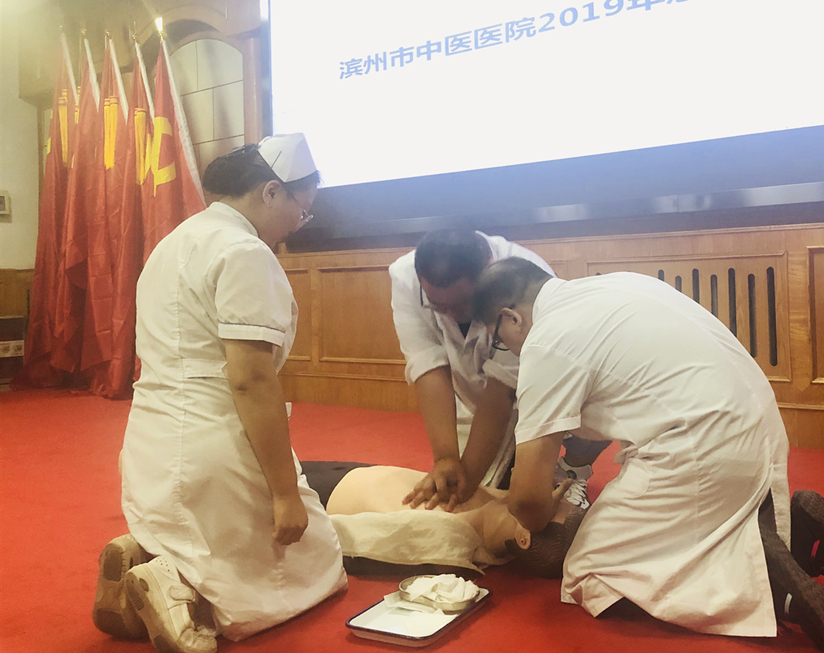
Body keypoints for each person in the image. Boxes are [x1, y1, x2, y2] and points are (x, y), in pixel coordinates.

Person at [470, 258, 824, 653]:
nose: (508, 350)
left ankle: (768, 587)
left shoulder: (546, 340)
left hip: (703, 451)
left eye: (499, 340)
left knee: (590, 573)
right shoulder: (617, 284)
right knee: (677, 533)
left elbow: (528, 504)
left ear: (511, 317)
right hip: (760, 428)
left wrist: (531, 514)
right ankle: (802, 539)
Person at [92, 135, 346, 653]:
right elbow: (250, 378)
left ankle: (147, 556)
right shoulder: (244, 251)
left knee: (206, 540)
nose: (299, 223)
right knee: (317, 564)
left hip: (148, 448)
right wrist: (283, 493)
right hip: (213, 451)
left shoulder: (172, 242)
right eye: (302, 210)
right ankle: (177, 589)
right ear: (271, 192)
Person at [389, 229, 610, 511]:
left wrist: (468, 484)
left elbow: (501, 390)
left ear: (489, 270)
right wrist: (445, 458)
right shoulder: (405, 277)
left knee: (596, 408)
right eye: (438, 306)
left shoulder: (526, 280)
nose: (451, 315)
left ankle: (574, 470)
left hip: (540, 388)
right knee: (485, 487)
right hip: (473, 397)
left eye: (462, 304)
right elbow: (428, 367)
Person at [300, 462, 584, 578]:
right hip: (360, 470)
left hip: (327, 492)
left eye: (553, 506)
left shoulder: (451, 544)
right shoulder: (499, 509)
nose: (547, 496)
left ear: (523, 537)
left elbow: (352, 545)